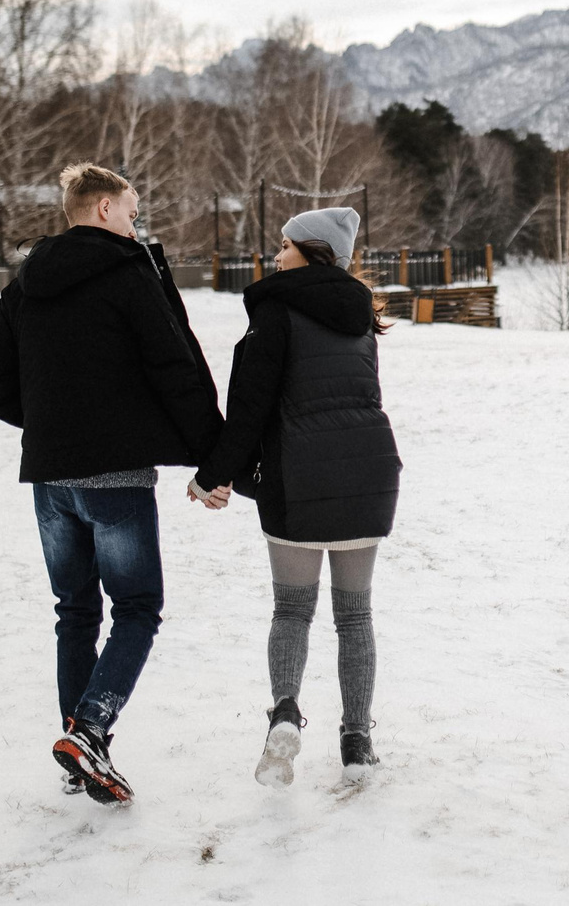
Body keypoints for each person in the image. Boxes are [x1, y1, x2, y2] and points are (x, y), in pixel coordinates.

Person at [0, 163, 223, 806]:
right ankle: (89, 729)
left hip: (50, 476)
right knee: (137, 607)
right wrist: (214, 457)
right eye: (133, 212)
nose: (136, 223)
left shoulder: (25, 283)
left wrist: (56, 425)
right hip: (115, 475)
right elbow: (175, 367)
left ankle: (79, 752)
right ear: (107, 209)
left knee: (75, 612)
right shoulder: (130, 273)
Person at [190, 205, 402, 786]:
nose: (276, 254)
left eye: (284, 245)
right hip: (368, 474)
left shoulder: (276, 312)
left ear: (310, 250)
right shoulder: (361, 315)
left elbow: (250, 410)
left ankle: (285, 713)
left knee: (292, 610)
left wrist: (214, 475)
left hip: (301, 480)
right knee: (355, 618)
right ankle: (357, 740)